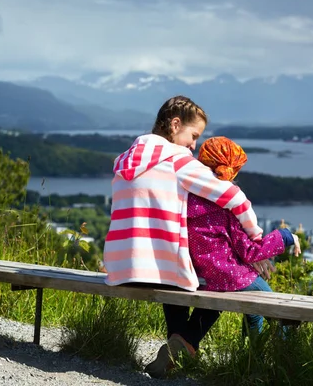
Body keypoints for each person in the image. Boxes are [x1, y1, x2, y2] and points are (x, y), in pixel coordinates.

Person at [102, 96, 269, 379]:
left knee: (177, 273)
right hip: (161, 269)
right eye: (193, 136)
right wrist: (256, 238)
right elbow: (234, 197)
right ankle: (188, 341)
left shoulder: (124, 159)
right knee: (220, 279)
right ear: (175, 124)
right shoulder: (178, 160)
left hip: (121, 269)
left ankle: (176, 349)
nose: (194, 145)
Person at [187, 136, 302, 335]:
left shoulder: (188, 199)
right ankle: (285, 354)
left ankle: (251, 354)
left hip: (200, 275)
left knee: (254, 312)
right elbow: (249, 251)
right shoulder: (225, 206)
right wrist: (287, 236)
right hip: (229, 275)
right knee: (277, 310)